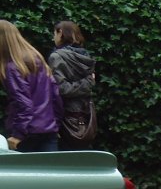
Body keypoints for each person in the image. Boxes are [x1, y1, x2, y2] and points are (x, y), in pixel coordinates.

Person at [0, 20, 62, 152]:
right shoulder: (37, 59)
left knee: (22, 172)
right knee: (50, 172)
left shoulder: (12, 67)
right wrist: (55, 124)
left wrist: (17, 135)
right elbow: (55, 94)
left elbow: (23, 104)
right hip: (48, 130)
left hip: (26, 134)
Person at [48, 20, 95, 150]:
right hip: (86, 113)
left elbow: (62, 89)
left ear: (60, 33)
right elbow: (88, 81)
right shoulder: (84, 55)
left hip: (66, 116)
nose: (53, 38)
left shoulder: (57, 57)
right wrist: (88, 82)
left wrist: (88, 82)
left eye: (54, 33)